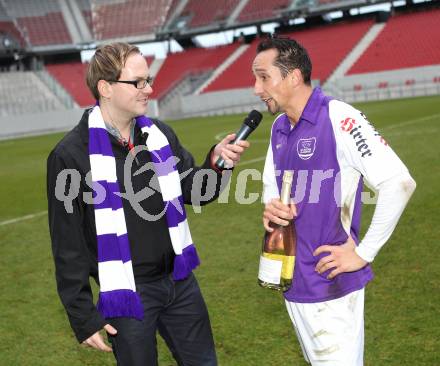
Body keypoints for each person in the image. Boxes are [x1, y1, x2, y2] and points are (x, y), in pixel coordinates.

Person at [47, 42, 249, 366]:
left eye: (148, 80)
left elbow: (194, 191)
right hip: (127, 295)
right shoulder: (70, 155)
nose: (149, 89)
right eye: (138, 82)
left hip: (181, 282)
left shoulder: (159, 136)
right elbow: (67, 244)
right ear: (105, 87)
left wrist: (217, 164)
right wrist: (82, 315)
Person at [253, 36, 416, 365]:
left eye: (263, 77)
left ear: (294, 76)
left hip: (331, 283)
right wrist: (272, 206)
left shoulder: (340, 117)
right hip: (293, 279)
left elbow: (399, 183)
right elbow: (271, 183)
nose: (257, 88)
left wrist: (363, 253)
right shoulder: (279, 128)